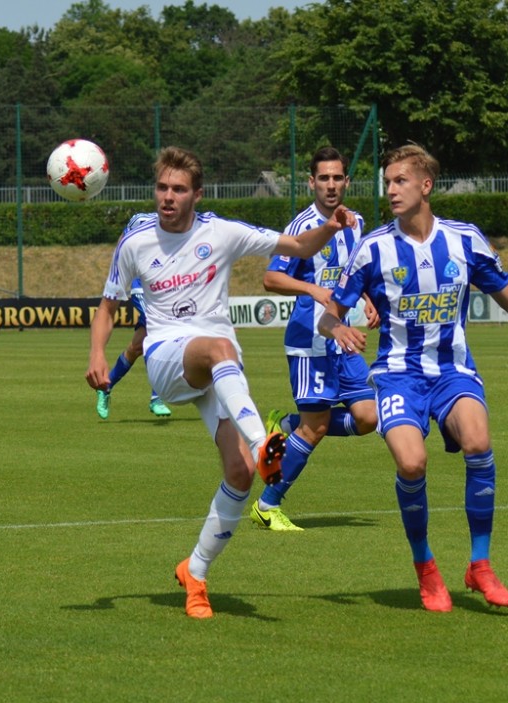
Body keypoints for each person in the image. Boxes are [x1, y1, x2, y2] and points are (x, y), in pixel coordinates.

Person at [318, 144, 508, 612]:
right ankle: (426, 567)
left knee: (478, 441)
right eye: (387, 182)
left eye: (400, 181)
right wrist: (338, 328)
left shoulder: (465, 240)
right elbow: (329, 313)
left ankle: (480, 564)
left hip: (452, 371)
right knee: (412, 464)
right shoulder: (373, 248)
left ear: (426, 185)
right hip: (397, 375)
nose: (391, 190)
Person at [86, 146, 356, 619]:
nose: (167, 197)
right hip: (168, 357)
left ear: (197, 194)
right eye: (162, 188)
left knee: (240, 473)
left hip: (217, 368)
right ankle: (263, 441)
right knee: (219, 349)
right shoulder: (135, 242)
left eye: (178, 189)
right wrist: (96, 355)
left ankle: (196, 572)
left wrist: (331, 228)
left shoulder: (223, 232)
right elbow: (108, 307)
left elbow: (297, 247)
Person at [252, 147, 379, 531]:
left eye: (337, 177)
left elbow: (353, 272)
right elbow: (271, 278)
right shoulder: (301, 227)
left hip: (342, 340)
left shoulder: (355, 223)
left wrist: (368, 298)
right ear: (311, 182)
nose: (331, 185)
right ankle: (267, 505)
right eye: (323, 178)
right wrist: (313, 289)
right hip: (310, 343)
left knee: (368, 417)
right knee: (317, 427)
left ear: (347, 182)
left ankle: (287, 423)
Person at [95, 214, 172, 420]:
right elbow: (121, 245)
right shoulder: (139, 220)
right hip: (140, 287)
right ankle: (157, 398)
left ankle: (106, 387)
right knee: (160, 332)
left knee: (136, 347)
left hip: (162, 291)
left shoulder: (182, 225)